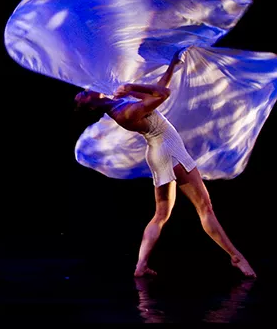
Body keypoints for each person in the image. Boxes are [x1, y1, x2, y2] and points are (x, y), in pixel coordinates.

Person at [74, 49, 256, 278]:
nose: (86, 90)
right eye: (83, 94)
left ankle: (140, 265)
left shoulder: (118, 103)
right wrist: (132, 88)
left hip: (159, 153)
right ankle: (235, 256)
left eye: (83, 90)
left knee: (161, 214)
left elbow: (158, 91)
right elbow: (163, 94)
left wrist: (173, 65)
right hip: (170, 151)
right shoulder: (125, 112)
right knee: (205, 208)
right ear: (91, 104)